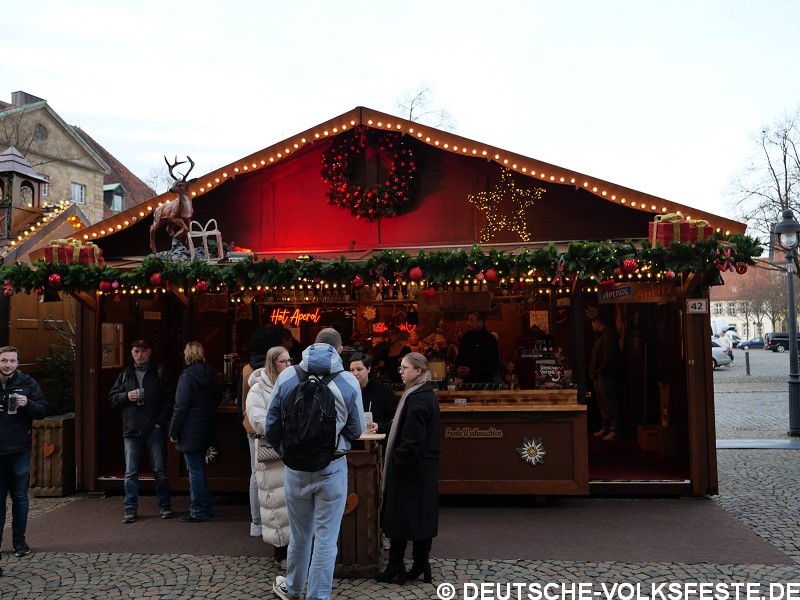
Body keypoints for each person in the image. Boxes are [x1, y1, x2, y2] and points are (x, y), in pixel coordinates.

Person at [265, 327, 365, 600]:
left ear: (313, 345)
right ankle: (318, 596)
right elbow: (356, 429)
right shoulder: (348, 381)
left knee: (299, 535)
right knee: (326, 539)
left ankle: (293, 588)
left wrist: (288, 450)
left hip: (295, 468)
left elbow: (271, 425)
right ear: (339, 350)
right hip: (331, 467)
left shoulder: (288, 376)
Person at [371, 352, 440, 585]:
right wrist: (382, 427)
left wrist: (397, 462)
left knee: (401, 516)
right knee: (419, 516)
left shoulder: (418, 398)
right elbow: (402, 424)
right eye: (400, 368)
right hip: (420, 468)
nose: (400, 372)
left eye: (405, 368)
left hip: (411, 469)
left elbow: (412, 439)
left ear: (418, 370)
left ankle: (396, 564)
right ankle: (420, 563)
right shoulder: (420, 393)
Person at [109, 339, 176, 524]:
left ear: (149, 352)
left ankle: (165, 504)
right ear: (132, 353)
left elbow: (170, 399)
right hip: (131, 429)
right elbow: (112, 399)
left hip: (153, 428)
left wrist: (160, 422)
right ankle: (130, 507)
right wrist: (126, 396)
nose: (140, 355)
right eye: (136, 351)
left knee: (159, 469)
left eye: (143, 351)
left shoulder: (160, 372)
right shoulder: (125, 374)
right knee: (131, 472)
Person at [0, 346, 48, 573]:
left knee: (20, 498)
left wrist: (27, 403)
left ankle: (19, 542)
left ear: (18, 363)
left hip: (19, 450)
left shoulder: (27, 382)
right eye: (3, 361)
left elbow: (43, 410)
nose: (7, 365)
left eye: (12, 361)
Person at [246, 345, 293, 565]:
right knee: (275, 504)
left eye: (290, 361)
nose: (288, 365)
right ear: (272, 364)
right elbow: (258, 420)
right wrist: (285, 428)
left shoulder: (292, 384)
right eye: (283, 361)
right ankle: (280, 552)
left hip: (289, 452)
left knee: (290, 503)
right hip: (271, 452)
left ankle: (293, 551)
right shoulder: (258, 389)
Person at [169, 341, 222, 522]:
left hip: (190, 428)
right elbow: (218, 397)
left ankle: (198, 510)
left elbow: (180, 407)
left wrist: (173, 431)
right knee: (199, 469)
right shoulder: (212, 373)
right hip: (207, 425)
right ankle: (206, 507)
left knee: (195, 471)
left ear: (187, 355)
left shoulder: (186, 377)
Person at [241, 326, 283, 537]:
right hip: (273, 426)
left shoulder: (247, 369)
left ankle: (256, 522)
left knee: (256, 474)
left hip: (252, 426)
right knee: (275, 475)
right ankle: (272, 521)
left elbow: (243, 400)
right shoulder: (277, 369)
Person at [588, 316, 622, 441]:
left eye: (593, 325)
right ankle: (607, 426)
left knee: (608, 402)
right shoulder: (603, 336)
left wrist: (599, 371)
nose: (592, 328)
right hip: (600, 374)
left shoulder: (608, 336)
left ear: (598, 323)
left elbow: (608, 356)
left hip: (604, 375)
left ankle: (615, 429)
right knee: (602, 403)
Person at [348, 352, 397, 434]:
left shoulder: (383, 391)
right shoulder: (347, 391)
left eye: (359, 369)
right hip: (353, 438)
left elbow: (396, 419)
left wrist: (381, 427)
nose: (355, 373)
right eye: (352, 370)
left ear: (368, 369)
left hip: (376, 437)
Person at [456, 311, 500, 383]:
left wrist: (472, 371)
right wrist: (458, 368)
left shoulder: (489, 339)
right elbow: (460, 357)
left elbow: (494, 365)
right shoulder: (466, 337)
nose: (468, 323)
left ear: (480, 322)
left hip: (484, 384)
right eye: (468, 320)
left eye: (471, 320)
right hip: (467, 383)